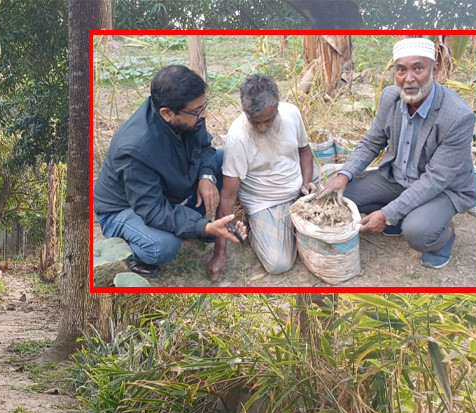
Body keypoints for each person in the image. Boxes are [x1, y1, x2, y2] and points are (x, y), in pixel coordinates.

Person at [317, 37, 476, 269]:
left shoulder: (457, 116)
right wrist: (344, 174)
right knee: (341, 195)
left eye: (418, 68)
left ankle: (443, 236)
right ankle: (401, 215)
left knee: (418, 233)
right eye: (401, 70)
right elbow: (372, 142)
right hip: (398, 178)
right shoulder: (390, 97)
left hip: (443, 189)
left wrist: (388, 214)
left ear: (435, 69)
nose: (409, 79)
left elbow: (436, 179)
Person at [93, 65, 247, 277]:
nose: (204, 114)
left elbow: (205, 148)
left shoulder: (190, 116)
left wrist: (206, 176)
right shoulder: (134, 149)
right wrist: (203, 226)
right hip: (123, 209)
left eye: (204, 106)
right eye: (197, 111)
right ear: (166, 113)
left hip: (165, 192)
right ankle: (129, 252)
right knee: (164, 246)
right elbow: (153, 210)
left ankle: (197, 226)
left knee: (222, 160)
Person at [209, 74, 316, 280]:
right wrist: (220, 253)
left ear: (277, 107)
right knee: (278, 264)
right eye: (254, 121)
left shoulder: (291, 113)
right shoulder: (237, 137)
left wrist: (307, 184)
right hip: (266, 202)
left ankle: (285, 228)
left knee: (340, 187)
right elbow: (228, 197)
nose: (262, 127)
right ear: (245, 112)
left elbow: (304, 151)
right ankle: (256, 225)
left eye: (267, 120)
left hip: (298, 188)